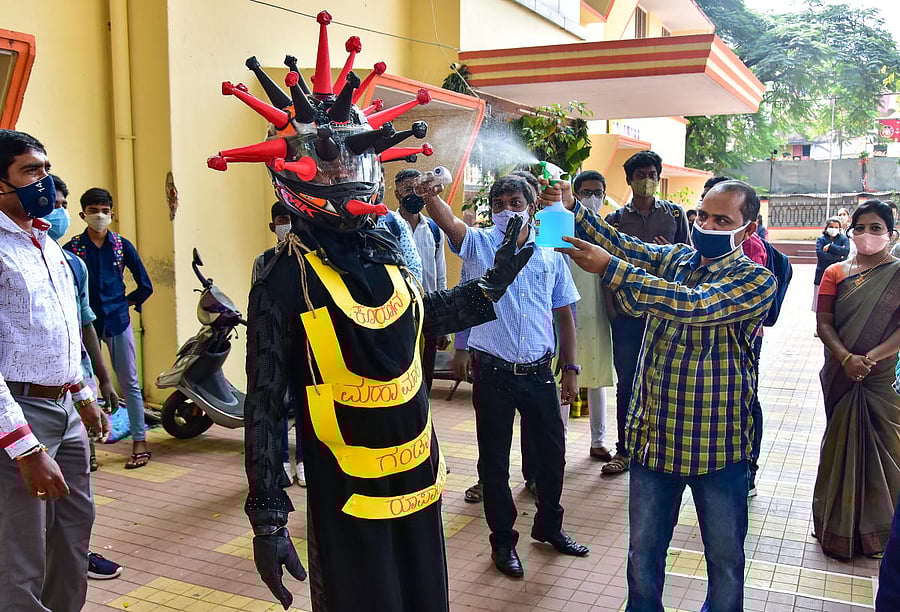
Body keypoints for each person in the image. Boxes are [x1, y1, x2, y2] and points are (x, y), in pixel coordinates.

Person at [219, 29, 534, 610]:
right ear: (291, 170)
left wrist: (492, 284)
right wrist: (267, 514)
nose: (341, 175)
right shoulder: (280, 274)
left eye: (351, 158)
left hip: (418, 470)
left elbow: (417, 320)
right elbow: (263, 401)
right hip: (343, 488)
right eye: (326, 163)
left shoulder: (388, 241)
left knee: (422, 595)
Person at [550, 177, 776, 611]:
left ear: (747, 230)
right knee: (643, 557)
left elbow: (693, 305)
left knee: (725, 561)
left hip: (718, 450)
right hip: (655, 446)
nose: (707, 226)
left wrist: (611, 268)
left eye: (722, 220)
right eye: (703, 216)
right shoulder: (676, 261)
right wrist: (571, 207)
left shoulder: (755, 281)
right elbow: (624, 245)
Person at [423, 173, 588, 579]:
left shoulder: (550, 253)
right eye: (499, 204)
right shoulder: (479, 244)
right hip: (493, 372)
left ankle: (550, 526)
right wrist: (431, 197)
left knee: (552, 456)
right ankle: (502, 542)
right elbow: (451, 224)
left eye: (516, 202)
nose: (506, 210)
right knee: (493, 463)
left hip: (538, 374)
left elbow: (564, 314)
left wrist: (570, 369)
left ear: (531, 206)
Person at [0, 128, 110, 611]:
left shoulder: (46, 245)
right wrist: (24, 448)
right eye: (30, 170)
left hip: (65, 408)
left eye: (45, 168)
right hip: (20, 412)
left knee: (71, 539)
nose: (43, 180)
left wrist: (84, 396)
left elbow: (61, 332)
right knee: (21, 553)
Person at [813, 199, 900, 560]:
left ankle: (881, 534)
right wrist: (847, 358)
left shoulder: (897, 273)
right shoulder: (835, 272)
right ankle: (839, 529)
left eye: (876, 228)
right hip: (841, 374)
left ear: (892, 235)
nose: (866, 235)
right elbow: (824, 323)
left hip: (881, 379)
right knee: (840, 443)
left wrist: (870, 358)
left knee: (886, 450)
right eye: (860, 228)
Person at [47, 174, 124, 580]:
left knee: (77, 491)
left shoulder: (70, 264)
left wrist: (100, 381)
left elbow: (83, 323)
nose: (54, 209)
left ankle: (77, 557)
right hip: (27, 400)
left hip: (73, 386)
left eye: (60, 202)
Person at [601, 150, 690, 476]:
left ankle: (661, 448)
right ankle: (625, 450)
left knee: (665, 382)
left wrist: (669, 254)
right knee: (627, 383)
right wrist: (611, 311)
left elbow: (690, 262)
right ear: (629, 180)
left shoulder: (676, 216)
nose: (647, 181)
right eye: (640, 176)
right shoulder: (615, 221)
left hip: (664, 315)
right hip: (627, 316)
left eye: (652, 174)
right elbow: (606, 269)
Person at [64, 187, 154, 469]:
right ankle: (88, 449)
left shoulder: (121, 245)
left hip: (117, 321)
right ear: (83, 214)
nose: (99, 216)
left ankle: (140, 442)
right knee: (85, 386)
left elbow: (145, 284)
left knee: (129, 383)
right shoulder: (72, 250)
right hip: (85, 325)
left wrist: (124, 303)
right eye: (93, 211)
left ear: (112, 214)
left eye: (104, 210)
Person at [252, 202, 305, 488]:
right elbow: (256, 303)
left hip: (307, 342)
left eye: (291, 219)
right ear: (273, 226)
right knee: (278, 403)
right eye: (282, 220)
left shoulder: (309, 258)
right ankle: (282, 461)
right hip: (275, 344)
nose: (287, 225)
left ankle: (304, 461)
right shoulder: (263, 261)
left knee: (306, 402)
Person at [572, 170, 616, 461]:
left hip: (599, 312)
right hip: (566, 312)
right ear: (574, 195)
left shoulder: (608, 231)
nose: (592, 198)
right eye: (586, 192)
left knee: (598, 377)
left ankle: (599, 441)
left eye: (598, 192)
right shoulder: (561, 226)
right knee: (564, 374)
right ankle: (558, 443)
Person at [394, 168, 450, 392]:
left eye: (417, 189)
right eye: (408, 190)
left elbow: (441, 278)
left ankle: (423, 421)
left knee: (425, 377)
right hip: (398, 313)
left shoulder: (435, 230)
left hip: (427, 314)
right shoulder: (388, 226)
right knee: (400, 374)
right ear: (397, 194)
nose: (413, 195)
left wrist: (443, 325)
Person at [814, 217, 850, 310]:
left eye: (836, 227)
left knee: (837, 305)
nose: (833, 229)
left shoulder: (844, 239)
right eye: (831, 226)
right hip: (822, 274)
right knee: (821, 305)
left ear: (839, 228)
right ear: (826, 227)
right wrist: (838, 257)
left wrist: (831, 247)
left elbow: (846, 251)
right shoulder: (821, 240)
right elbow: (821, 255)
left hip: (840, 275)